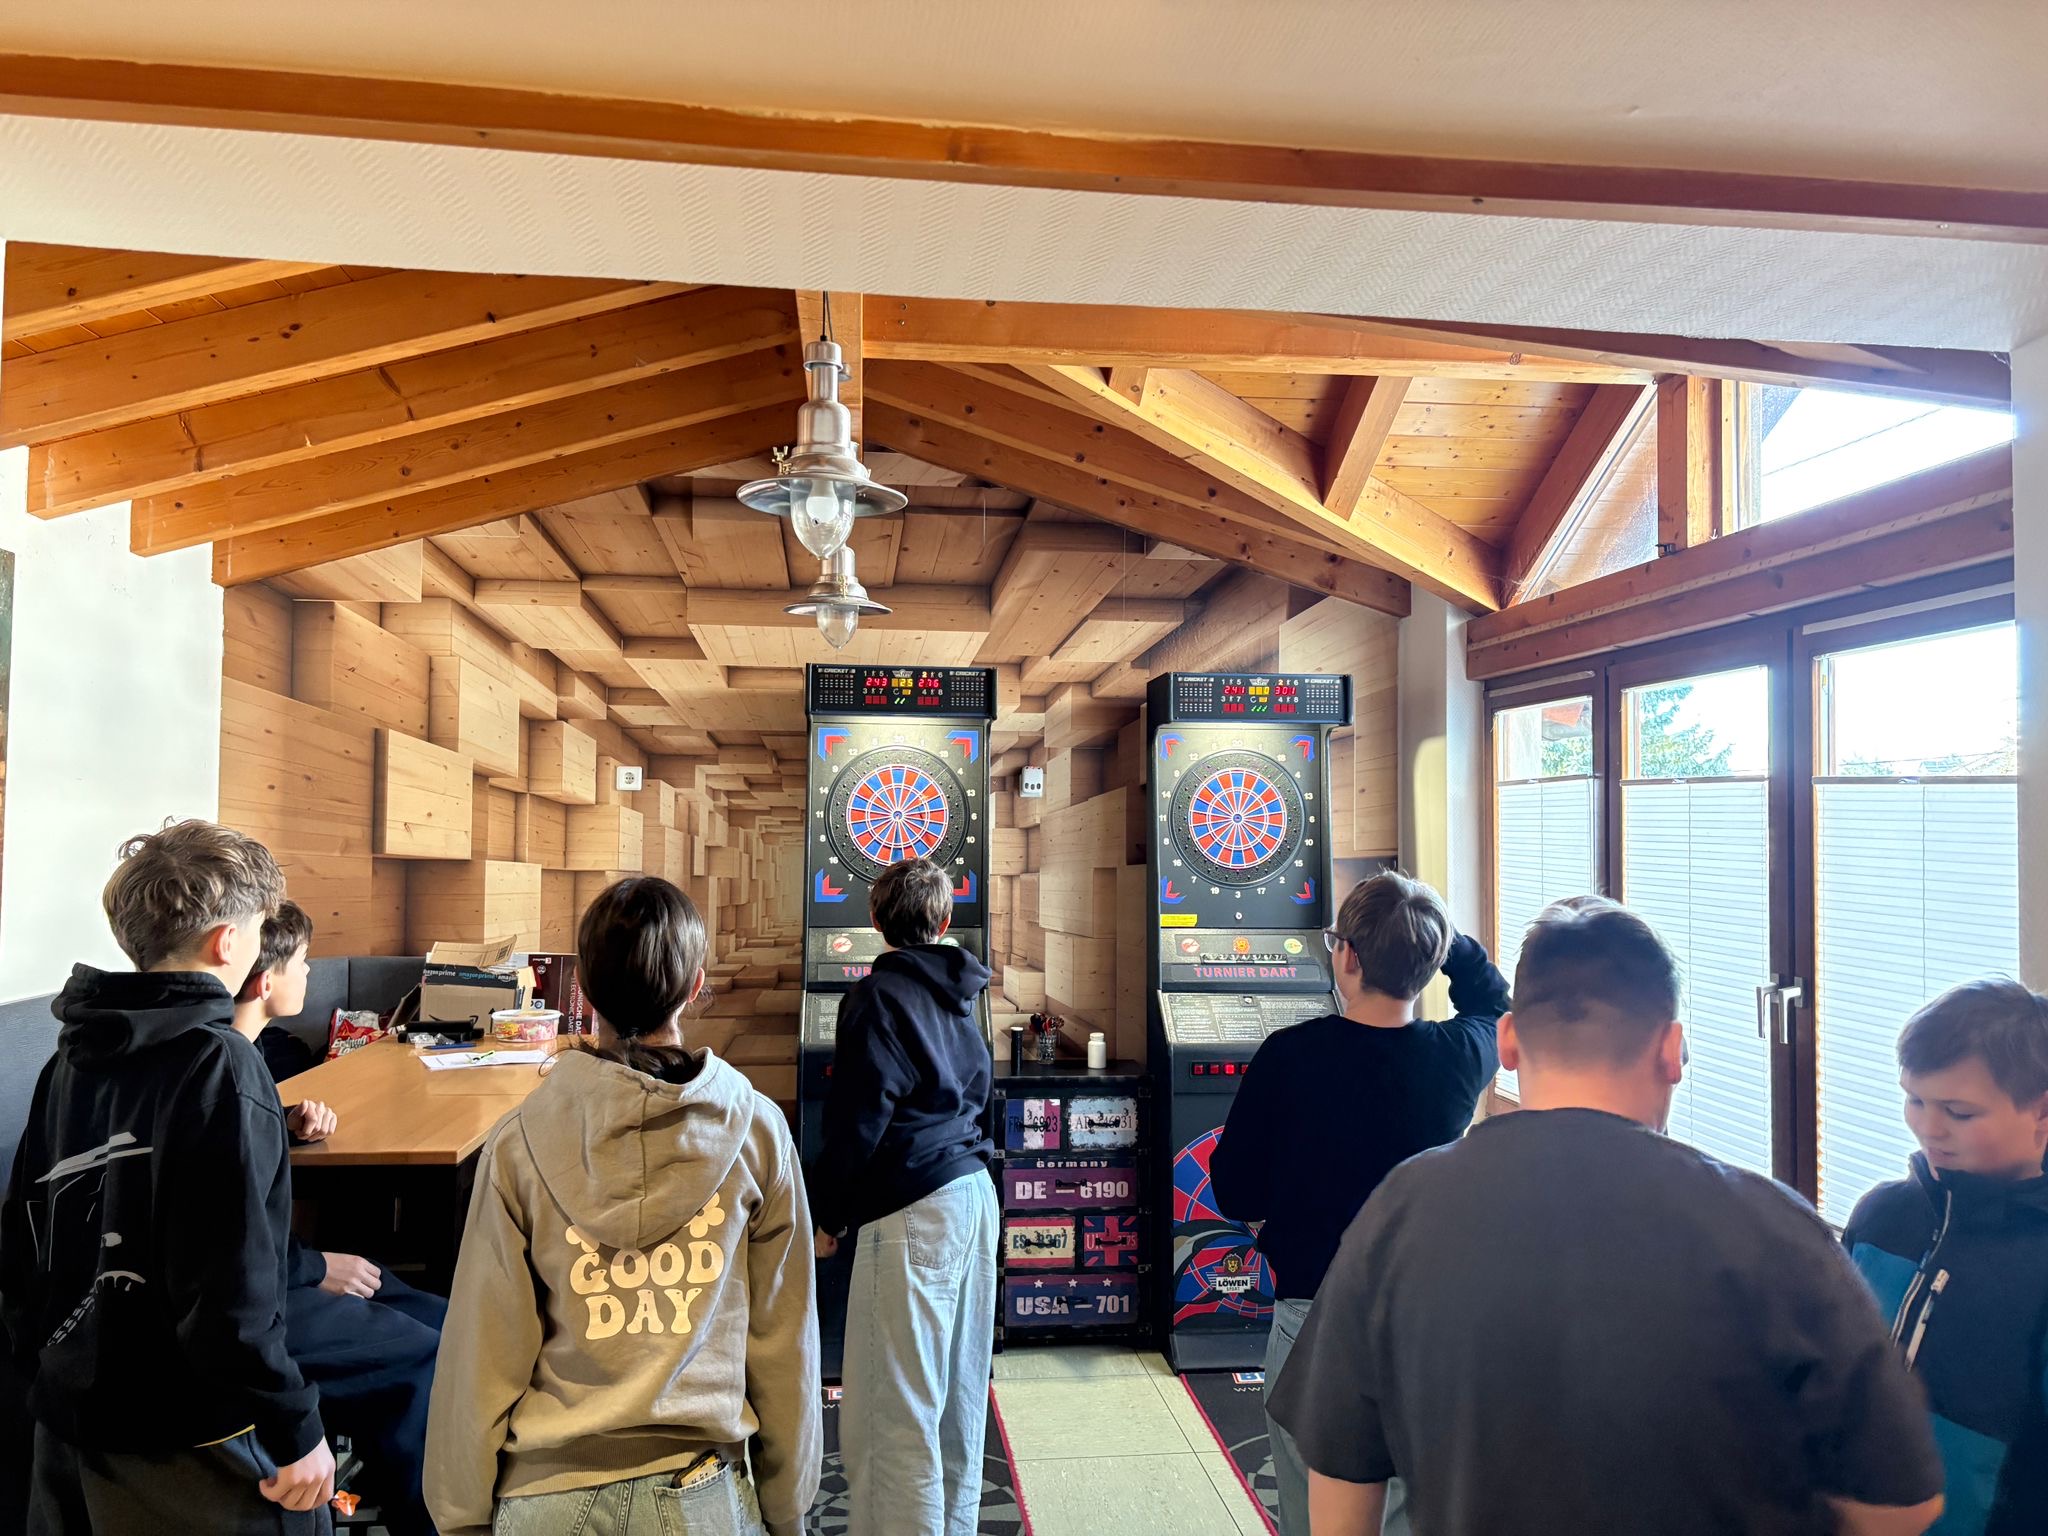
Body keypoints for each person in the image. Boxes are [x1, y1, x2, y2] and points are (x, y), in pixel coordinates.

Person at [1269, 897, 1946, 1536]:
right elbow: (1901, 1503)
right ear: (1673, 1051)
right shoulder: (1774, 1228)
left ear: (1509, 1044)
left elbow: (1341, 1466)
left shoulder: (1403, 1209)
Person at [425, 876, 819, 1536]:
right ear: (695, 987)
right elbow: (784, 1345)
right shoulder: (758, 1133)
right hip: (702, 1492)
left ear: (582, 991)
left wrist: (460, 1515)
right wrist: (789, 1508)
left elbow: (483, 1349)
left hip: (544, 1497)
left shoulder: (518, 1143)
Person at [0, 820, 335, 1534]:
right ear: (228, 943)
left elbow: (25, 1239)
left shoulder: (68, 1061)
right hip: (191, 1436)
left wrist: (45, 1367)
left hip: (65, 1417)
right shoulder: (223, 1064)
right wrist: (294, 1422)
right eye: (258, 929)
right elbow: (230, 1281)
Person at [1210, 871, 1509, 1536]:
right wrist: (1444, 940)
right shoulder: (1460, 1056)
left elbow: (1234, 1188)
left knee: (1312, 1511)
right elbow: (1493, 1001)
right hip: (1423, 1322)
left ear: (1346, 956)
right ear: (1431, 961)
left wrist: (1275, 1214)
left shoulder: (1289, 1056)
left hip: (1311, 1315)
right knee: (1408, 1513)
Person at [232, 899, 447, 1536]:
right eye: (303, 962)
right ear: (264, 980)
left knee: (447, 1318)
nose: (310, 972)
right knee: (427, 1353)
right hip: (263, 1299)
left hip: (279, 1277)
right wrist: (316, 1267)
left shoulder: (245, 1064)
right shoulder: (222, 1070)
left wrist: (286, 1126)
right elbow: (225, 1244)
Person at [811, 856, 997, 1536]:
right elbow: (980, 1095)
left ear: (874, 919)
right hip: (974, 1197)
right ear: (944, 922)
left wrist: (828, 1216)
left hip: (913, 1208)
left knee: (895, 1415)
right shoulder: (961, 995)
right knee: (957, 1402)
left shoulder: (876, 997)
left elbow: (858, 1120)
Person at [1842, 979, 2048, 1536]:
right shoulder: (1882, 1215)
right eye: (1915, 1100)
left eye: (1958, 1112)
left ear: (2041, 1112)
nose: (1928, 1129)